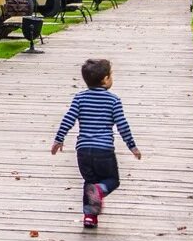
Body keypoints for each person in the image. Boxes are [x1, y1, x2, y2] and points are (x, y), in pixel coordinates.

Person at [50, 58, 142, 229]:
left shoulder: (79, 98)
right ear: (105, 79)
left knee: (89, 182)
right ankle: (99, 191)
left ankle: (90, 217)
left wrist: (59, 138)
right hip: (104, 151)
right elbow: (122, 125)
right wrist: (132, 146)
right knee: (112, 180)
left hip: (83, 151)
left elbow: (68, 119)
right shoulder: (113, 100)